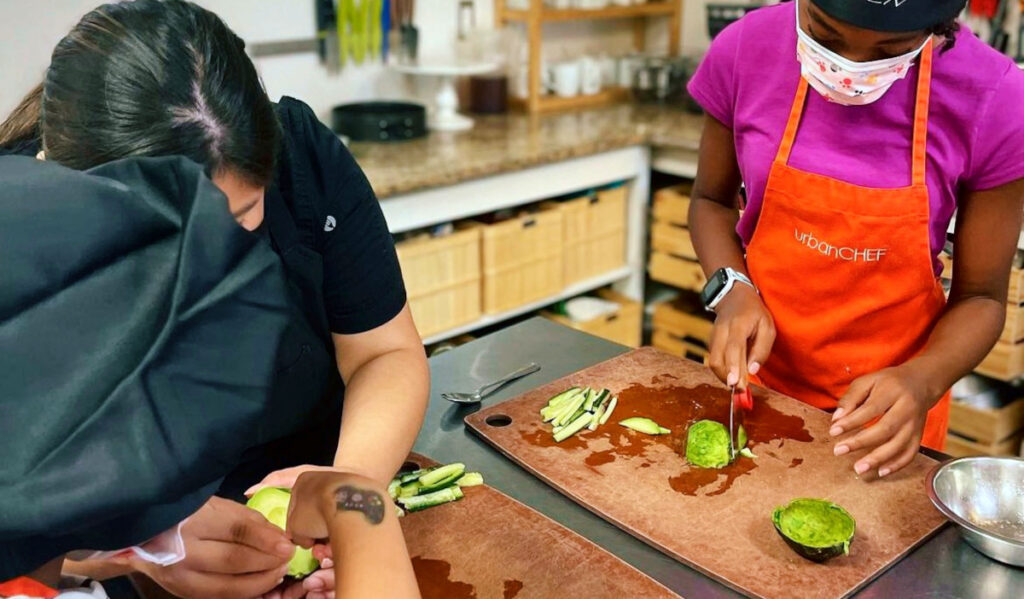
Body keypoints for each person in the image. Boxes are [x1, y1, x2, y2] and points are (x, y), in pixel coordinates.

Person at [0, 1, 429, 597]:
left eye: (241, 218)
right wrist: (140, 545)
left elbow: (384, 353)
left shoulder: (301, 160)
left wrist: (347, 487)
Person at [689, 0, 1024, 477]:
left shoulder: (996, 97)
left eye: (892, 50)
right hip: (760, 387)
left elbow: (982, 297)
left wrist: (922, 381)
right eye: (825, 37)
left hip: (885, 420)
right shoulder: (746, 48)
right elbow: (710, 202)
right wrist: (732, 291)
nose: (851, 69)